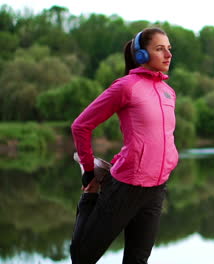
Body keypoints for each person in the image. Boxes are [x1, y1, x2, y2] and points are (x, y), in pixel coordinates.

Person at [70, 27, 179, 264]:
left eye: (169, 49)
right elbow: (80, 126)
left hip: (156, 187)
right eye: (159, 49)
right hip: (126, 187)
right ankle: (90, 197)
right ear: (141, 55)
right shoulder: (126, 86)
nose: (168, 54)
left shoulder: (168, 92)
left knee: (137, 260)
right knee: (82, 257)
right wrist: (89, 171)